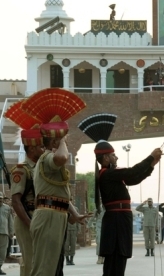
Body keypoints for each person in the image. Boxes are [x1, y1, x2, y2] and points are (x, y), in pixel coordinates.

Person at [78, 112, 163, 276]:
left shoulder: (111, 174)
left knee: (119, 260)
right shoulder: (108, 174)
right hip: (116, 221)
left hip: (119, 221)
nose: (116, 157)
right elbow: (132, 172)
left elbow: (134, 179)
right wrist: (150, 157)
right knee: (114, 263)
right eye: (113, 155)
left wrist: (152, 165)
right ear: (105, 158)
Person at [25, 88, 88, 276]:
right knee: (44, 269)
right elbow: (62, 158)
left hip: (56, 214)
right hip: (49, 215)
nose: (65, 143)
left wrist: (74, 214)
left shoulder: (48, 160)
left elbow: (60, 194)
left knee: (51, 268)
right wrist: (61, 141)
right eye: (63, 140)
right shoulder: (47, 157)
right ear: (53, 142)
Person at [5, 100, 44, 276]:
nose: (43, 149)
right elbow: (15, 200)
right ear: (32, 147)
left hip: (38, 219)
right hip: (26, 219)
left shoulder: (40, 168)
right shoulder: (21, 170)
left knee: (40, 262)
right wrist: (30, 224)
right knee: (30, 262)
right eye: (41, 146)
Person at [0, 192, 13, 275]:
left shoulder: (7, 208)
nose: (0, 200)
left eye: (0, 198)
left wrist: (11, 231)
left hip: (4, 232)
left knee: (3, 251)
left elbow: (10, 221)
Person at [64, 200, 79, 265]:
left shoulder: (76, 209)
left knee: (73, 245)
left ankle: (71, 259)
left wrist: (78, 229)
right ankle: (67, 259)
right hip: (66, 229)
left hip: (73, 229)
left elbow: (78, 219)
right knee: (66, 245)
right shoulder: (64, 208)